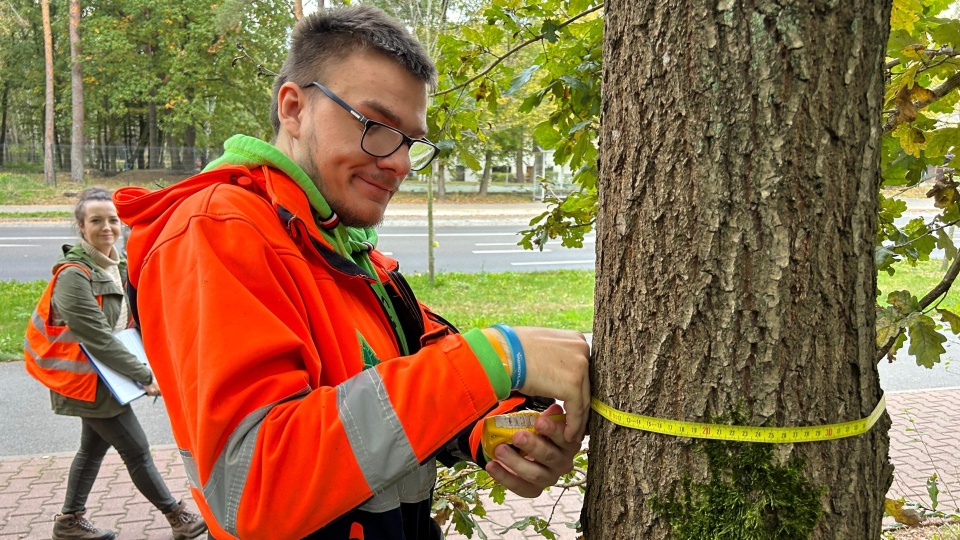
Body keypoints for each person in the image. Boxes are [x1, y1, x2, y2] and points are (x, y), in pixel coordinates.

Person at [113, 5, 590, 539]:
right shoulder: (218, 229)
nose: (401, 163)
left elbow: (396, 382)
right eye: (376, 126)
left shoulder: (338, 243)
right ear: (293, 109)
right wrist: (498, 358)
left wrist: (488, 430)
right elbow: (257, 484)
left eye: (411, 140)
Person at [23, 187, 208, 540]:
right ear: (81, 227)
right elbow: (98, 339)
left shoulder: (114, 265)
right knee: (136, 450)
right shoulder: (73, 276)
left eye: (112, 220)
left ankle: (69, 522)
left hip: (104, 378)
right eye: (96, 221)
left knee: (91, 450)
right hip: (86, 382)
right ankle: (178, 518)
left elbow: (129, 321)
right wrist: (145, 376)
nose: (107, 227)